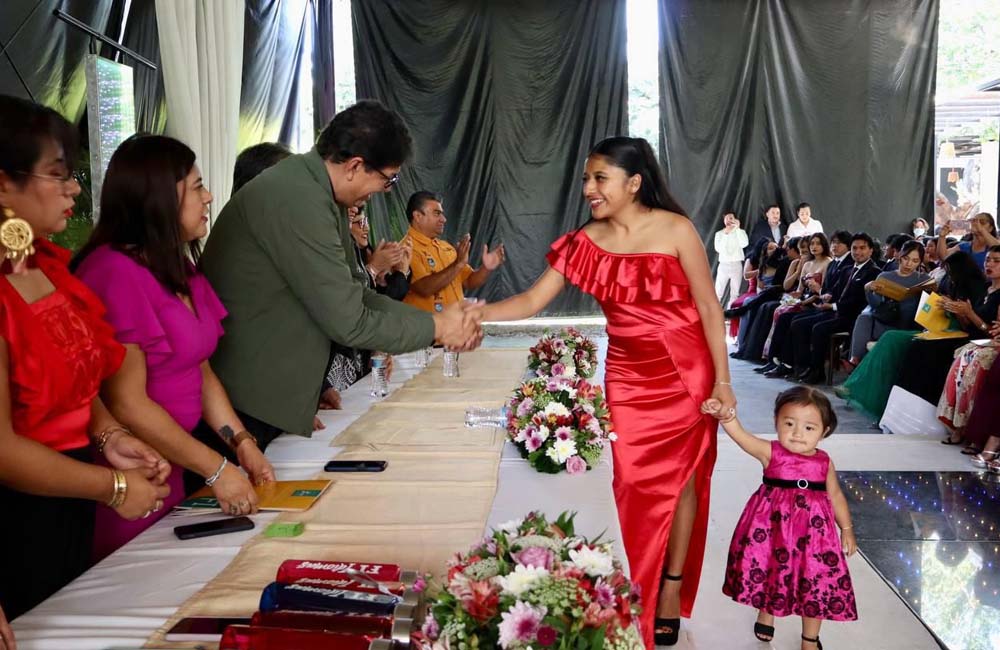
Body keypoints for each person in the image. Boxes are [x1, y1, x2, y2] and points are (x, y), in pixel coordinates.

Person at [481, 136, 731, 647]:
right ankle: (638, 582)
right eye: (587, 178)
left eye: (600, 178)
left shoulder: (676, 229)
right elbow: (531, 299)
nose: (589, 188)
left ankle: (670, 587)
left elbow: (709, 308)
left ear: (633, 183)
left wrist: (723, 382)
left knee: (683, 481)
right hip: (628, 376)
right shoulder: (586, 240)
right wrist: (470, 313)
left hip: (686, 371)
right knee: (634, 484)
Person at [201, 100, 483, 448]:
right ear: (355, 166)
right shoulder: (298, 198)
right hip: (241, 400)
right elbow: (347, 319)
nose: (383, 190)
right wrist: (438, 328)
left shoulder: (320, 193)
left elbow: (356, 292)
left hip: (272, 391)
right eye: (387, 179)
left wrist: (434, 326)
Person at [0, 95, 169, 619]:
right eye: (57, 174)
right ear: (4, 180)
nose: (73, 188)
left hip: (66, 496)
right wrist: (114, 486)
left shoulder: (42, 265)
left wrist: (109, 437)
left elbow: (76, 380)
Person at [73, 135, 275, 559]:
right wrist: (217, 468)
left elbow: (199, 371)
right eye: (198, 187)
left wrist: (241, 443)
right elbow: (127, 404)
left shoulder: (177, 267)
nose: (209, 196)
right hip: (132, 471)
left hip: (178, 463)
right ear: (160, 199)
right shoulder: (114, 271)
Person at [703, 387, 857, 649]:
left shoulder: (824, 462)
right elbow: (741, 437)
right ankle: (767, 610)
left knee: (816, 582)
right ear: (776, 422)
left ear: (825, 431)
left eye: (809, 427)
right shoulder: (771, 452)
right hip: (772, 531)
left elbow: (836, 495)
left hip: (814, 538)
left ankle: (810, 638)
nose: (797, 433)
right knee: (771, 571)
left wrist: (847, 528)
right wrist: (725, 415)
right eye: (789, 423)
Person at [836, 251, 987, 422]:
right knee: (890, 338)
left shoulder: (976, 287)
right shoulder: (948, 282)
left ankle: (889, 403)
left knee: (910, 345)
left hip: (957, 334)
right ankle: (859, 386)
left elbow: (972, 323)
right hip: (936, 328)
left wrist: (958, 310)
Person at [935, 246, 1000, 439]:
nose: (990, 264)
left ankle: (968, 426)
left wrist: (970, 313)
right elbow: (970, 324)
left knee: (973, 361)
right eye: (988, 260)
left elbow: (990, 329)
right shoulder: (986, 290)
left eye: (996, 261)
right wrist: (960, 312)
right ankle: (955, 424)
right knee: (962, 358)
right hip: (976, 339)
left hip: (991, 343)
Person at [403, 191, 504, 312]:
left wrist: (487, 268)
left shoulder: (446, 248)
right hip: (428, 328)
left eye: (442, 214)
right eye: (437, 214)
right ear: (418, 216)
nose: (444, 219)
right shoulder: (406, 249)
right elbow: (424, 289)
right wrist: (458, 263)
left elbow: (469, 281)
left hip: (455, 325)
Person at [843, 240, 930, 369]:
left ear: (920, 262)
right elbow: (875, 305)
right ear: (900, 255)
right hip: (886, 320)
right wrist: (868, 290)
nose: (908, 264)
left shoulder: (924, 279)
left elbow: (927, 308)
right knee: (863, 318)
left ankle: (856, 366)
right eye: (906, 258)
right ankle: (855, 360)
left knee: (908, 304)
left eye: (914, 261)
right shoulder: (885, 276)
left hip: (908, 324)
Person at [714, 211, 748, 309]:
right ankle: (716, 314)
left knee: (735, 292)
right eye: (727, 218)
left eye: (731, 218)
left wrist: (737, 229)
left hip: (737, 264)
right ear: (724, 220)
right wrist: (726, 234)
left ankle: (730, 315)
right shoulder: (719, 234)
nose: (729, 220)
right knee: (718, 292)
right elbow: (718, 249)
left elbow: (744, 244)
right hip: (724, 265)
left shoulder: (741, 232)